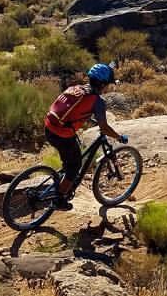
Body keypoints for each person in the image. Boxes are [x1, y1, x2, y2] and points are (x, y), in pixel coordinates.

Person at [44, 62, 127, 210]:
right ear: (102, 84)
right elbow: (105, 128)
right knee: (75, 166)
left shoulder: (77, 88)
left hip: (50, 126)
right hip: (62, 134)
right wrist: (119, 137)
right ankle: (59, 200)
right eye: (108, 84)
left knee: (69, 160)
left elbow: (75, 109)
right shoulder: (98, 101)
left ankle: (63, 181)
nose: (108, 87)